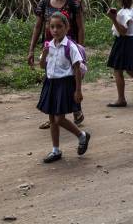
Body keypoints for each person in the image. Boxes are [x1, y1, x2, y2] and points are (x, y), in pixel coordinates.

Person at [28, 0, 85, 129]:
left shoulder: (74, 3)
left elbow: (81, 28)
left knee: (71, 79)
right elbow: (38, 27)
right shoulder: (44, 3)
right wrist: (31, 49)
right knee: (51, 80)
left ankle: (75, 109)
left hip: (69, 47)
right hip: (50, 48)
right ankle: (53, 116)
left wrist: (80, 49)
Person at [37, 12, 91, 163]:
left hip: (65, 84)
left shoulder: (70, 46)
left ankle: (82, 135)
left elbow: (77, 69)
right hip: (51, 83)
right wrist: (44, 53)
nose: (55, 30)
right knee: (52, 119)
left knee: (59, 118)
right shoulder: (49, 46)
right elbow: (42, 65)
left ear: (66, 28)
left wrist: (78, 90)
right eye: (52, 27)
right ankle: (55, 150)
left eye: (59, 27)